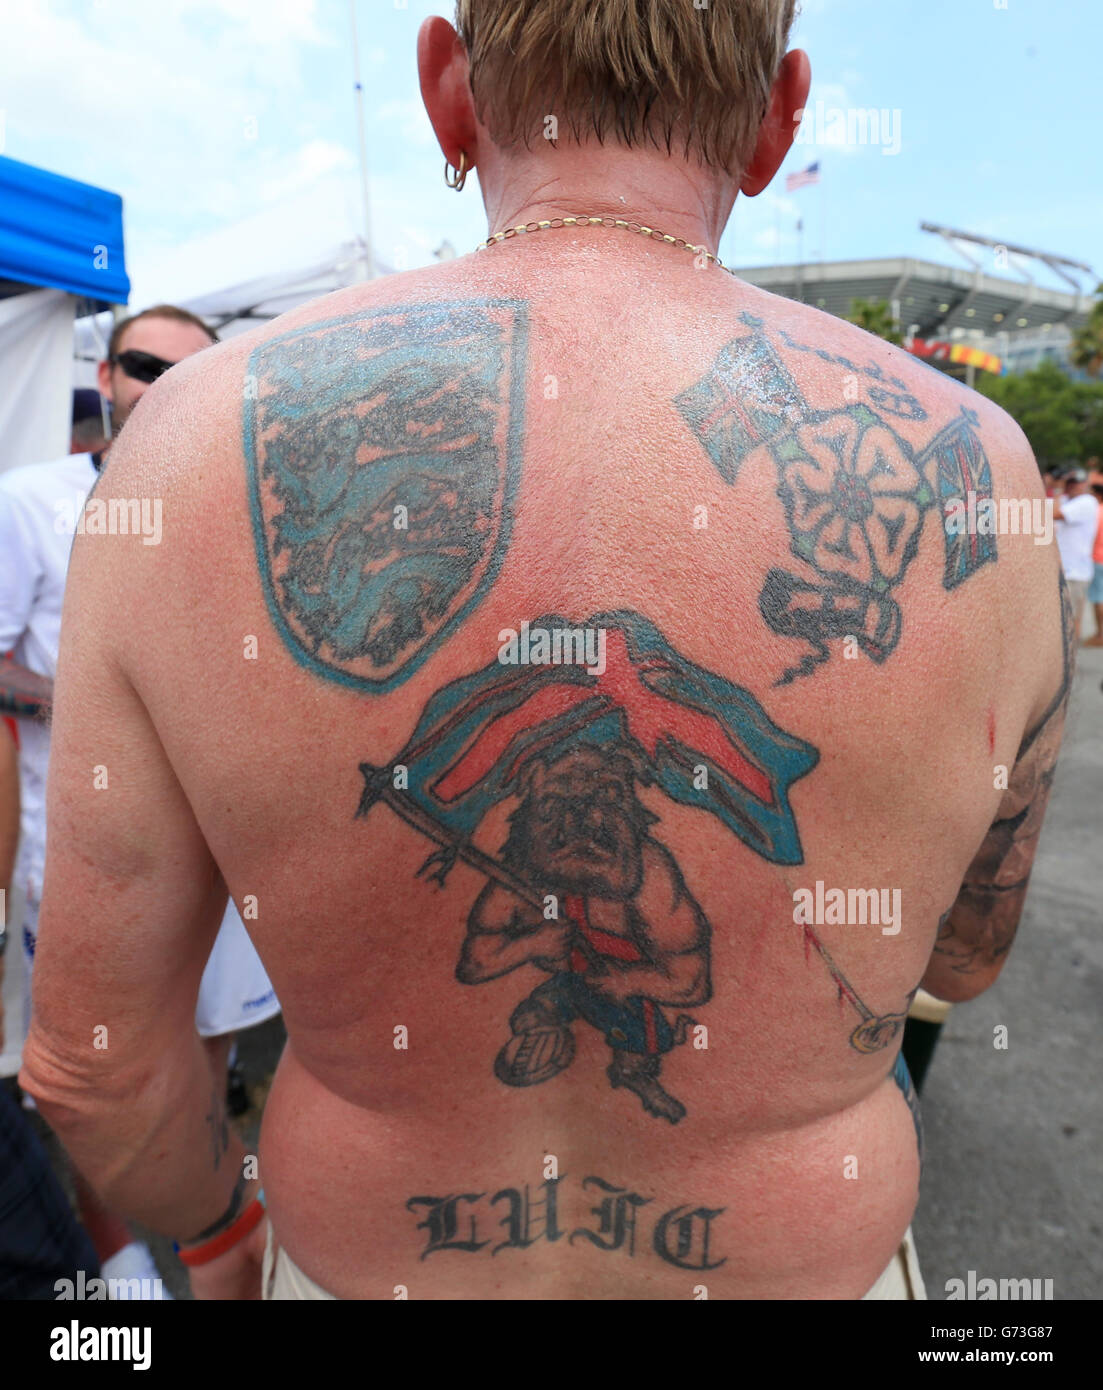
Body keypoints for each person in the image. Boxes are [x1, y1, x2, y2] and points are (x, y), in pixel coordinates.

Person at [19, 0, 1070, 1300]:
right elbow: (961, 957)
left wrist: (218, 1230)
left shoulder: (186, 449)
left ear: (446, 89)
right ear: (775, 117)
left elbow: (92, 1060)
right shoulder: (974, 473)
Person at [1, 304, 279, 1296]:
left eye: (193, 374)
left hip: (226, 854)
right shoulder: (28, 502)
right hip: (76, 847)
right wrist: (116, 703)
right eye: (144, 365)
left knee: (202, 1063)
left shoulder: (249, 519)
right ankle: (121, 1265)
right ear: (106, 377)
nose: (164, 388)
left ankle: (211, 1232)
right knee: (99, 1077)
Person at [1053, 466, 1100, 640]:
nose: (1073, 486)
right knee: (1059, 622)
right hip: (1064, 570)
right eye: (1070, 483)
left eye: (1077, 483)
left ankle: (1069, 665)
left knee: (1070, 621)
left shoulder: (1087, 502)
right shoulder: (1067, 500)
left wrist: (1057, 488)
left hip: (1075, 574)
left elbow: (1054, 513)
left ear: (1085, 484)